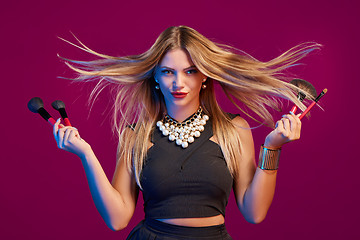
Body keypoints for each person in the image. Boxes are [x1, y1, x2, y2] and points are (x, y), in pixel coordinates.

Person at [53, 26, 319, 239]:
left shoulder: (233, 129)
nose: (178, 83)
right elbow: (118, 219)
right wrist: (86, 155)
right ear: (155, 76)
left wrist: (272, 148)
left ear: (204, 75)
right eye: (168, 72)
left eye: (189, 71)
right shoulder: (135, 134)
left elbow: (254, 212)